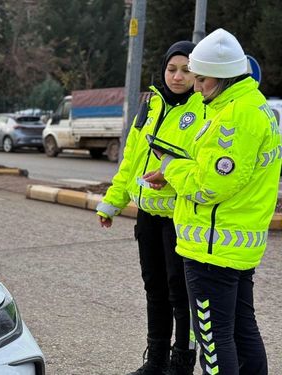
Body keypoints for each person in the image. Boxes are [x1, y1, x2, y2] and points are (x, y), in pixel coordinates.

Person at [144, 28, 280, 375]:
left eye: (200, 78)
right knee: (240, 330)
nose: (196, 85)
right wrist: (177, 168)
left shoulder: (234, 118)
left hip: (211, 247)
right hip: (233, 243)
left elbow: (208, 187)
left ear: (221, 77)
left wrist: (171, 167)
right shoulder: (250, 107)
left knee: (215, 340)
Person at [96, 41, 207, 375]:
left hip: (180, 216)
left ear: (197, 73)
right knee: (155, 290)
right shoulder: (151, 104)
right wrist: (112, 203)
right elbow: (131, 159)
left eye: (186, 70)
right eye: (172, 69)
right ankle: (156, 360)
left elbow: (201, 166)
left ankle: (181, 363)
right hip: (147, 217)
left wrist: (171, 178)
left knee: (180, 295)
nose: (177, 76)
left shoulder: (203, 109)